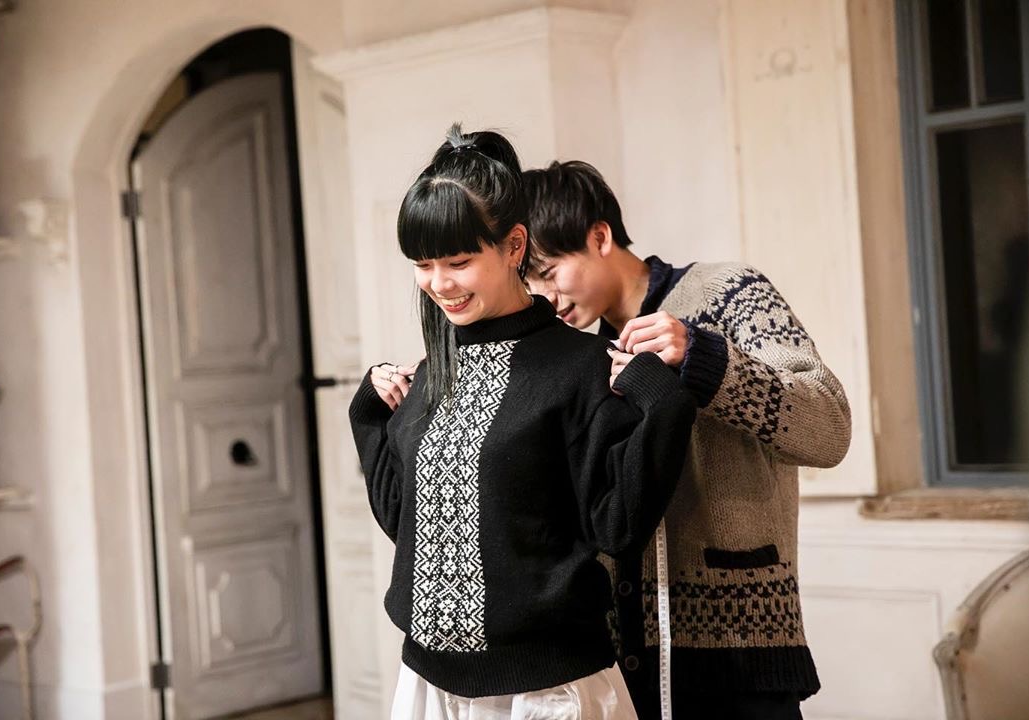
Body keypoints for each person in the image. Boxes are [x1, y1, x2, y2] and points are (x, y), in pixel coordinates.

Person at [347, 126, 698, 719]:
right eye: (423, 264)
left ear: (514, 246)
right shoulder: (431, 374)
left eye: (458, 261)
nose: (439, 284)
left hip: (549, 692)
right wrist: (369, 412)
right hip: (429, 685)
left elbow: (617, 526)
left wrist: (661, 399)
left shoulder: (583, 367)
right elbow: (403, 522)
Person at [523, 160, 852, 720]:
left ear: (599, 236)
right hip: (620, 666)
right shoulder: (578, 356)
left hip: (743, 652)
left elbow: (829, 427)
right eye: (530, 284)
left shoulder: (730, 292)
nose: (545, 296)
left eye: (550, 272)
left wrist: (707, 360)